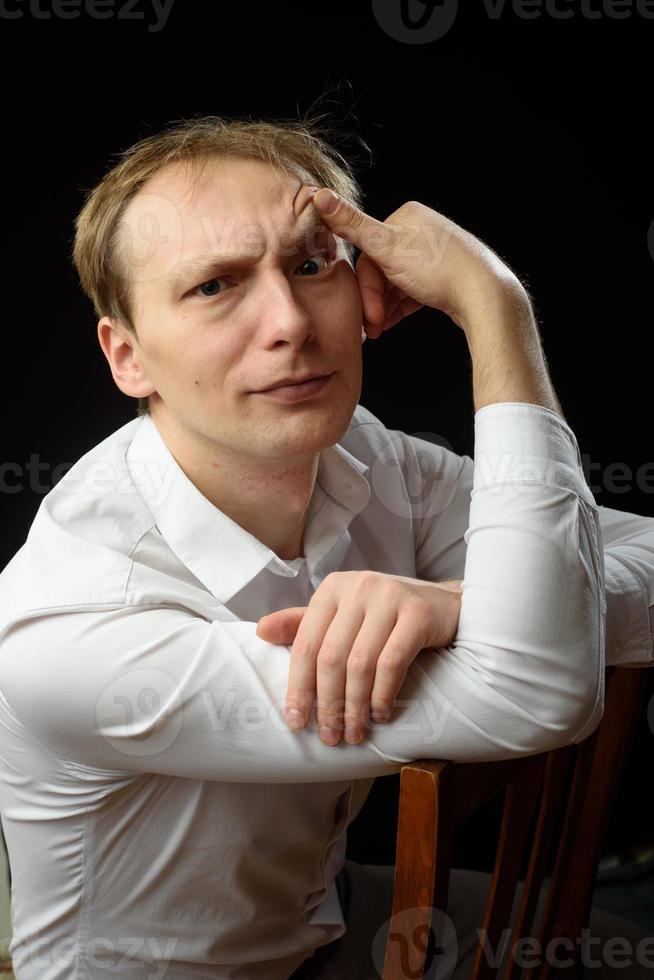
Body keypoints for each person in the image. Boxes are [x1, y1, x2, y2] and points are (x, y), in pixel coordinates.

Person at [0, 115, 652, 979]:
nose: (290, 324)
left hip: (332, 919)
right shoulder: (74, 620)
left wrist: (460, 605)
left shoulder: (365, 460)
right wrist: (497, 307)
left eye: (312, 266)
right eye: (214, 287)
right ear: (128, 357)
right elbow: (539, 690)